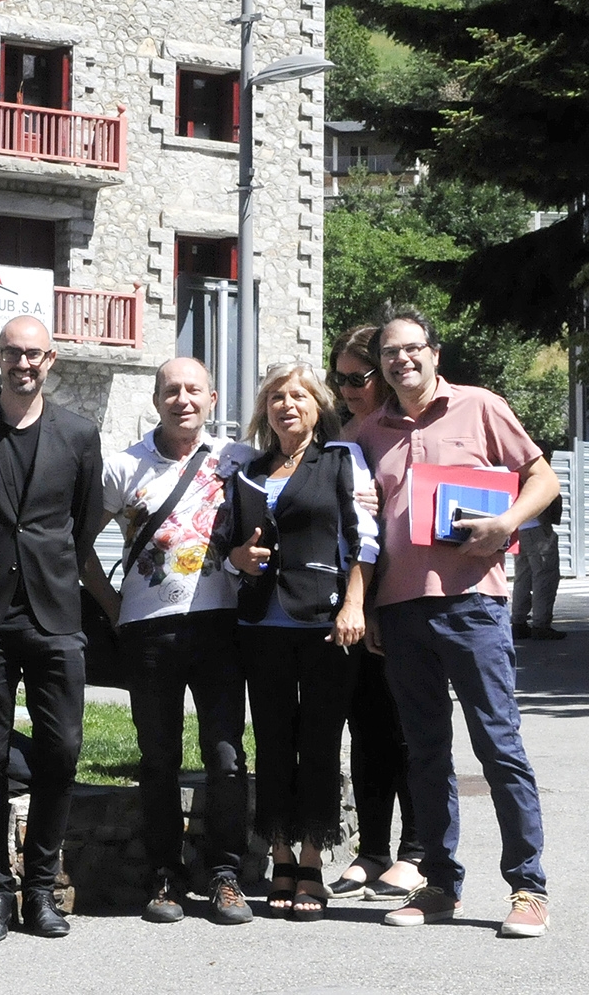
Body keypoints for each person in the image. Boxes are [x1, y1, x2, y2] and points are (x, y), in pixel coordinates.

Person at [352, 305, 561, 937]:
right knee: (425, 755)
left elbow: (542, 476)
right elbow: (368, 532)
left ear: (434, 354)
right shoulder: (369, 432)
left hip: (474, 606)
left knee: (499, 748)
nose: (402, 361)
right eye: (390, 353)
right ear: (381, 365)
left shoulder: (480, 406)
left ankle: (528, 888)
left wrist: (507, 522)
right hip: (401, 610)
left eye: (412, 349)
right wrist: (371, 604)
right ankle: (440, 885)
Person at [0, 315, 104, 944]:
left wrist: (52, 566)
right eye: (14, 353)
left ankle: (39, 890)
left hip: (56, 613)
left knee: (61, 752)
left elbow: (83, 521)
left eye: (35, 354)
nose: (24, 364)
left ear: (51, 359)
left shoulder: (80, 433)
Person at [85, 357, 253, 926]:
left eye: (193, 390)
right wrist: (112, 606)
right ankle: (165, 873)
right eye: (171, 390)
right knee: (157, 758)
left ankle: (225, 874)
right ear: (156, 399)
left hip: (220, 624)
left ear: (211, 398)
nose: (183, 399)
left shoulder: (237, 460)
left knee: (227, 757)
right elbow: (79, 545)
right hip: (147, 629)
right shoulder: (122, 466)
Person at [225, 362, 376, 922]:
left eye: (298, 396)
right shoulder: (248, 469)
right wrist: (237, 557)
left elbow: (366, 539)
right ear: (265, 411)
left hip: (325, 623)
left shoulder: (341, 461)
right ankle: (280, 852)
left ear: (317, 406)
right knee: (270, 738)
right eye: (276, 398)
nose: (287, 405)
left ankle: (312, 855)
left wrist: (355, 603)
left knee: (317, 741)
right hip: (260, 623)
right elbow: (228, 541)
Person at [326, 326, 425, 901]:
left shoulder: (397, 430)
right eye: (338, 379)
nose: (346, 389)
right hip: (352, 601)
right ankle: (372, 851)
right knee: (365, 729)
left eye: (356, 378)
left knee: (409, 729)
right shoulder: (345, 433)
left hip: (403, 595)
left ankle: (417, 850)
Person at [510, 456, 564, 642]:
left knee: (523, 576)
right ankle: (541, 624)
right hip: (537, 529)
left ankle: (518, 622)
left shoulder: (517, 470)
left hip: (520, 528)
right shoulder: (538, 472)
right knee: (545, 576)